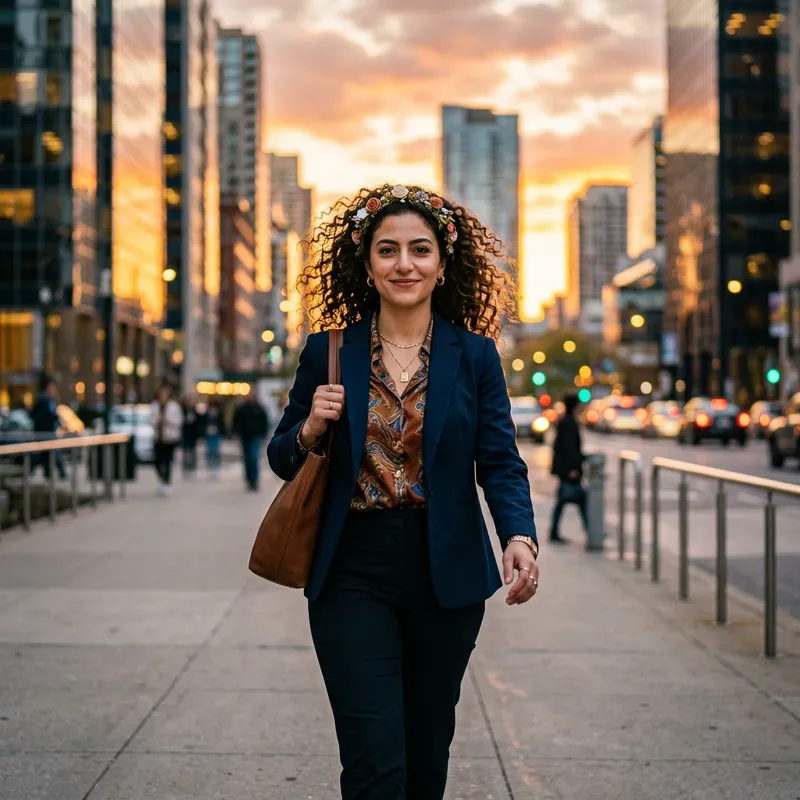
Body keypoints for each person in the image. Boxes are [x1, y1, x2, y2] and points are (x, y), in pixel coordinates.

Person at [267, 184, 539, 800]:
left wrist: (518, 535)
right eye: (387, 250)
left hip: (445, 573)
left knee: (423, 755)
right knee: (373, 761)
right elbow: (281, 458)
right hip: (350, 571)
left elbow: (499, 461)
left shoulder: (474, 356)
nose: (404, 264)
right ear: (367, 264)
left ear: (443, 263)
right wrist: (311, 427)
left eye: (420, 249)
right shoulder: (327, 350)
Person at [549, 393, 588, 542]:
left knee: (565, 500)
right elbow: (568, 448)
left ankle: (554, 531)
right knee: (578, 499)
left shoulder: (566, 421)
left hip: (566, 468)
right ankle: (590, 529)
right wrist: (573, 468)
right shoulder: (569, 423)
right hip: (569, 469)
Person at [149, 383, 182, 496]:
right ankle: (161, 480)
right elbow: (150, 420)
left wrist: (168, 420)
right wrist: (157, 420)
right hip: (158, 437)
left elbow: (178, 421)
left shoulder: (174, 406)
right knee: (157, 461)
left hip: (170, 438)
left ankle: (166, 483)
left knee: (167, 461)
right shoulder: (155, 405)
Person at [30, 376, 66, 479]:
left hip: (49, 434)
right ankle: (57, 474)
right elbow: (38, 418)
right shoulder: (42, 401)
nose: (53, 390)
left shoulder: (50, 401)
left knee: (47, 456)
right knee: (47, 455)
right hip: (45, 434)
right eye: (52, 387)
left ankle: (51, 474)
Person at [233, 388, 268, 491]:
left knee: (253, 458)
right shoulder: (241, 408)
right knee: (247, 459)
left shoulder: (259, 408)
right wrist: (236, 434)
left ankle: (254, 480)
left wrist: (263, 434)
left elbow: (264, 421)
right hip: (245, 436)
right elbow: (236, 422)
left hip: (255, 436)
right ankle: (249, 480)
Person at [201, 397, 225, 478]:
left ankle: (216, 468)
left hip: (216, 434)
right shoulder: (206, 413)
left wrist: (219, 430)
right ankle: (210, 468)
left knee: (216, 452)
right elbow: (203, 423)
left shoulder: (219, 413)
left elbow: (222, 424)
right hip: (208, 435)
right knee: (209, 452)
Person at [180, 395, 201, 479]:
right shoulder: (182, 411)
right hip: (185, 435)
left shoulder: (195, 412)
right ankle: (186, 469)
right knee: (185, 453)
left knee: (192, 453)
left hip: (193, 436)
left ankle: (192, 469)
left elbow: (199, 423)